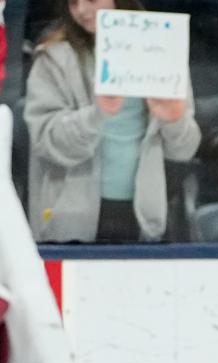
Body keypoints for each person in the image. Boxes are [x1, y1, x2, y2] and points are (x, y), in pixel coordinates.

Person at [23, 0, 200, 242]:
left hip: (144, 215)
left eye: (92, 0)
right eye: (73, 3)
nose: (82, 11)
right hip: (71, 219)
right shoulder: (54, 58)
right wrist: (96, 115)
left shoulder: (161, 50)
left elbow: (184, 150)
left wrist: (174, 121)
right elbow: (47, 141)